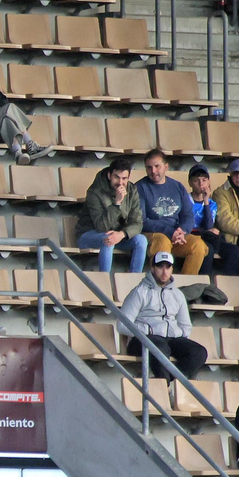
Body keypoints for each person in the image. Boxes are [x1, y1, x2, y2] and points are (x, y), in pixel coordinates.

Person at [119, 251, 207, 379]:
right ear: (153, 268)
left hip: (169, 339)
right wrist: (149, 330)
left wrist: (175, 333)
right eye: (160, 266)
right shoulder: (139, 292)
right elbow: (122, 324)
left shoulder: (177, 294)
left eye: (168, 267)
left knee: (199, 352)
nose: (164, 271)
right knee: (159, 346)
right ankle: (164, 387)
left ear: (172, 269)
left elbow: (186, 326)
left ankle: (165, 381)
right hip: (143, 339)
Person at [136, 149, 209, 274]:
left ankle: (185, 288)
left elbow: (188, 215)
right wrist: (170, 232)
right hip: (152, 234)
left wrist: (182, 231)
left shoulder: (177, 187)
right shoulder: (140, 187)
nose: (153, 171)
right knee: (162, 241)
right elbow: (141, 221)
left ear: (166, 167)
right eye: (149, 167)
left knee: (198, 245)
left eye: (157, 166)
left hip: (176, 235)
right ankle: (160, 287)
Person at [78, 157, 148, 273]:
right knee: (108, 240)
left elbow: (137, 223)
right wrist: (117, 204)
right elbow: (101, 227)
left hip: (118, 234)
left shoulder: (132, 190)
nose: (120, 183)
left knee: (141, 240)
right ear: (109, 175)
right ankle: (104, 283)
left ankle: (135, 282)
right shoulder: (94, 191)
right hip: (89, 234)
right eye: (116, 177)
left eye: (124, 178)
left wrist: (122, 234)